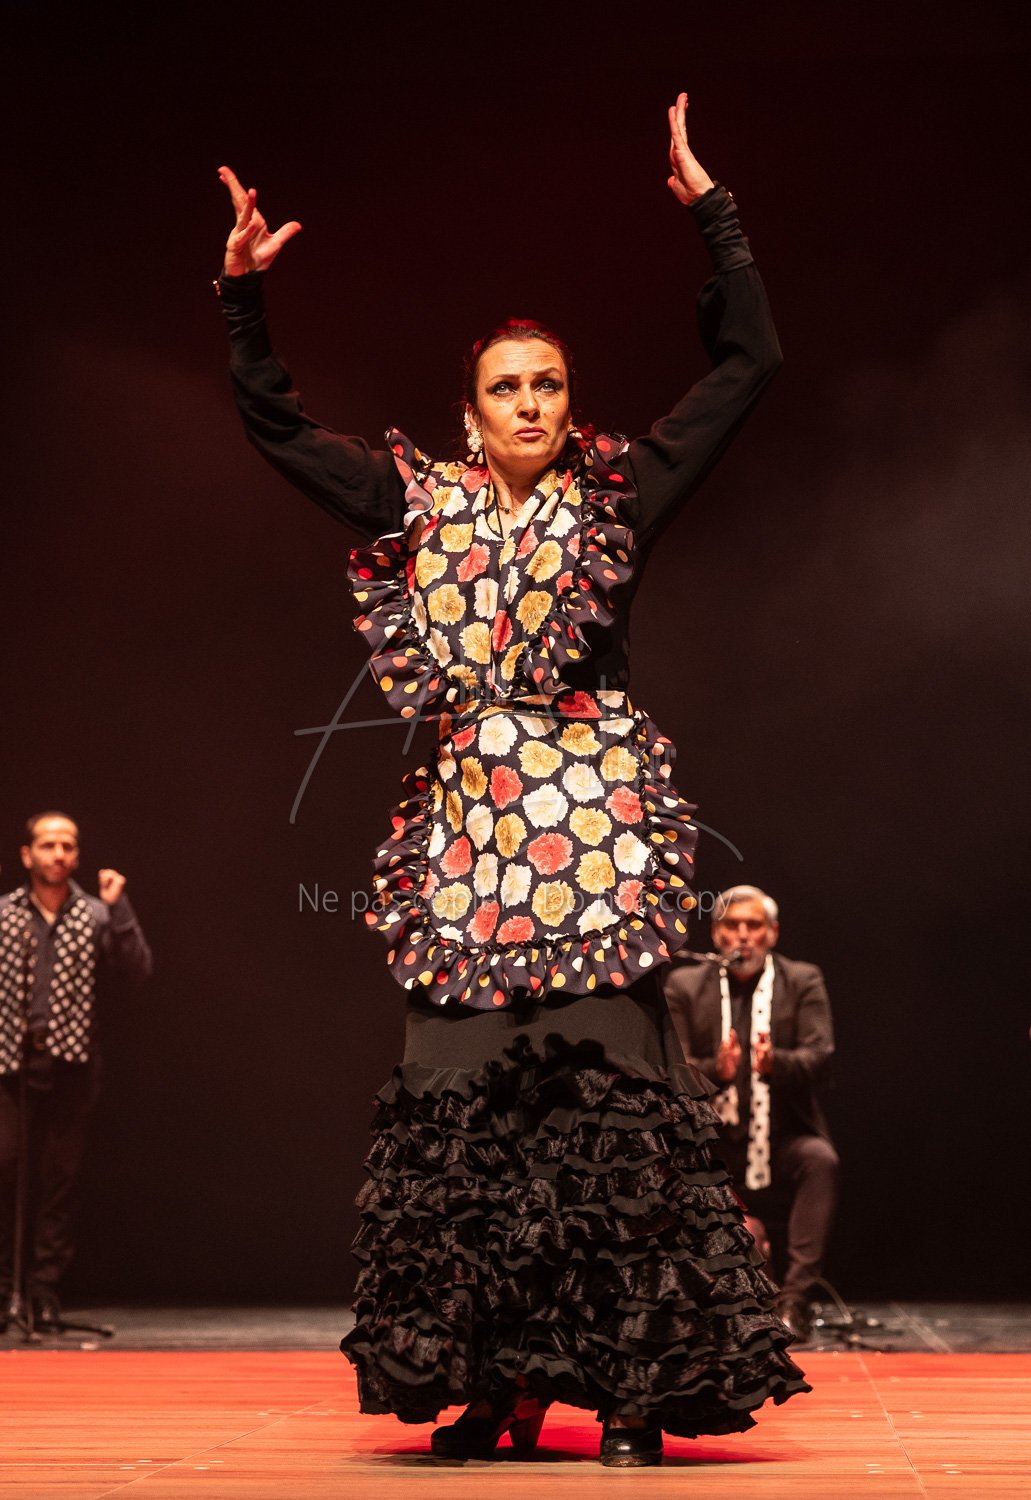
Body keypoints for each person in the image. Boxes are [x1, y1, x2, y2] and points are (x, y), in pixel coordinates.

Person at [215, 95, 808, 1467]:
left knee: (607, 1111)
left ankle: (631, 1390)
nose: (528, 404)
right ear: (467, 411)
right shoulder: (412, 504)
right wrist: (241, 300)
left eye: (546, 385)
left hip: (589, 844)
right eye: (504, 388)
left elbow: (751, 363)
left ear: (567, 402)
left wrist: (714, 219)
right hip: (468, 851)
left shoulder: (617, 496)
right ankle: (500, 1383)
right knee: (467, 1113)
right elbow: (275, 427)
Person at [662, 885, 838, 1341]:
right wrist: (715, 1072)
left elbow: (820, 1055)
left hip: (781, 1134)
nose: (743, 935)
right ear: (716, 934)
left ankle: (796, 1299)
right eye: (732, 925)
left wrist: (774, 1062)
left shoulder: (802, 980)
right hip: (713, 1141)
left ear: (772, 933)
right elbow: (672, 1068)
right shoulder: (684, 984)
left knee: (820, 1160)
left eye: (753, 925)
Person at [0, 813, 152, 1329]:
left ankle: (44, 1289)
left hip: (72, 1065)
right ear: (27, 854)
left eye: (67, 845)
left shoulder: (96, 913)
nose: (59, 853)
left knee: (58, 1180)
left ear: (77, 855)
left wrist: (119, 907)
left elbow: (137, 969)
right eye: (48, 844)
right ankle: (6, 1288)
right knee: (6, 1171)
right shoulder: (6, 914)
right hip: (10, 1066)